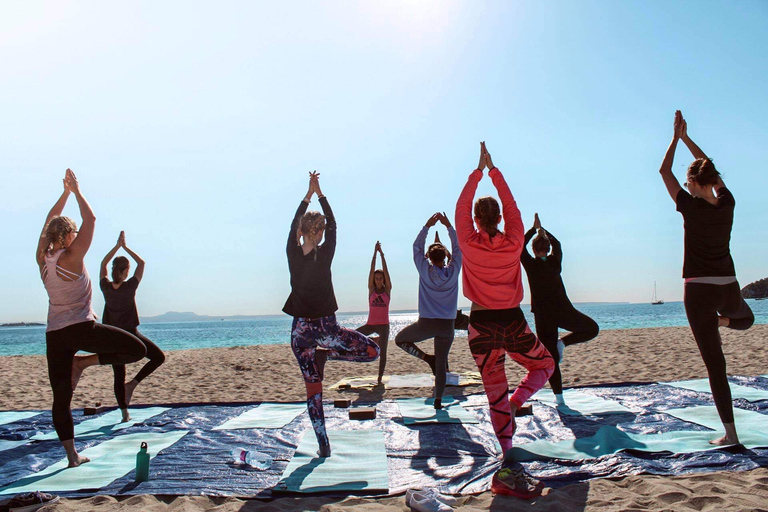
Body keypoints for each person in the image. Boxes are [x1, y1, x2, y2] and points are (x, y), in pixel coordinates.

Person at [455, 142, 554, 499]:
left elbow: (461, 206)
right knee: (544, 365)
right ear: (498, 218)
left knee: (494, 391)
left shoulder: (467, 241)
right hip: (512, 324)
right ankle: (515, 404)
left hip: (480, 327)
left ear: (478, 221)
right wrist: (493, 171)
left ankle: (507, 459)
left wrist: (477, 172)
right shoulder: (514, 241)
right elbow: (512, 205)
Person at [36, 169, 146, 467]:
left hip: (54, 334)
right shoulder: (72, 257)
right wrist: (77, 191)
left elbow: (49, 221)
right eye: (73, 233)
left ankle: (72, 457)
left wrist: (64, 194)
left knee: (61, 397)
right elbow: (91, 220)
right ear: (68, 236)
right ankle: (83, 362)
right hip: (82, 329)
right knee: (138, 350)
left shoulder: (41, 258)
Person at [659, 111, 754, 446]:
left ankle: (730, 434)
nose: (685, 186)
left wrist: (674, 138)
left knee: (716, 365)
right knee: (748, 318)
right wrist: (687, 139)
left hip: (698, 292)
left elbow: (663, 171)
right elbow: (707, 170)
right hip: (728, 286)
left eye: (689, 182)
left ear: (697, 185)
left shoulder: (689, 205)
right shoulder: (727, 202)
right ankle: (723, 322)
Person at [283, 171, 380, 457]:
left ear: (300, 231)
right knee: (372, 352)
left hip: (301, 334)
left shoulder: (292, 250)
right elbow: (335, 225)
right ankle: (328, 353)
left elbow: (293, 227)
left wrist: (307, 197)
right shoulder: (327, 252)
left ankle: (323, 445)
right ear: (321, 232)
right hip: (327, 330)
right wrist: (320, 193)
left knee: (314, 392)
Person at [521, 213, 599, 405]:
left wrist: (534, 229)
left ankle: (559, 398)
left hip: (544, 315)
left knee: (552, 358)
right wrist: (543, 230)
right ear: (547, 249)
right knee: (592, 329)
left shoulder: (531, 265)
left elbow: (520, 246)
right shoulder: (555, 263)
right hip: (562, 310)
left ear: (534, 249)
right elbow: (558, 245)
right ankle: (563, 343)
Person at [395, 212, 462, 409]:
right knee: (441, 364)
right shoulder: (454, 271)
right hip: (447, 326)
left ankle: (426, 358)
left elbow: (416, 247)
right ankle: (438, 399)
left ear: (429, 257)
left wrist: (427, 226)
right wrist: (449, 226)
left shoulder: (424, 269)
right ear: (445, 256)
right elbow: (458, 250)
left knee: (400, 340)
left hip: (426, 323)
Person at [100, 231, 166, 422]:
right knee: (158, 357)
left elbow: (103, 264)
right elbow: (142, 263)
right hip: (131, 334)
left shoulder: (105, 286)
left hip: (113, 337)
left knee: (118, 375)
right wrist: (125, 247)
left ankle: (124, 413)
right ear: (126, 270)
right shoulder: (130, 287)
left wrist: (116, 247)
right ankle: (133, 386)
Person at [355, 241, 392, 385]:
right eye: (376, 278)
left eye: (380, 278)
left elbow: (386, 272)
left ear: (383, 280)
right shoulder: (371, 289)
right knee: (355, 336)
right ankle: (373, 341)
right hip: (370, 325)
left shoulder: (387, 290)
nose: (378, 280)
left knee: (383, 353)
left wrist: (382, 254)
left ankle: (380, 378)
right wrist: (374, 255)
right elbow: (371, 271)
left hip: (384, 326)